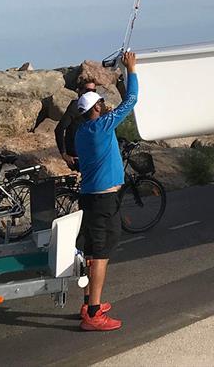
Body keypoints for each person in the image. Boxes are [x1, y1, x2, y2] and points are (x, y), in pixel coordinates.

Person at [75, 51, 138, 332]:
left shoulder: (82, 131)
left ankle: (89, 301)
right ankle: (93, 313)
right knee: (100, 254)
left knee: (91, 250)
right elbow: (132, 101)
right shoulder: (102, 126)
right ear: (96, 108)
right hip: (104, 200)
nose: (104, 105)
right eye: (101, 102)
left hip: (90, 197)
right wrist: (131, 70)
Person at [56, 78, 98, 170]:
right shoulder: (75, 107)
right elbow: (59, 129)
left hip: (92, 154)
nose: (91, 93)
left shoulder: (96, 106)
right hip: (78, 157)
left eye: (93, 91)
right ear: (80, 91)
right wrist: (64, 154)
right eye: (88, 91)